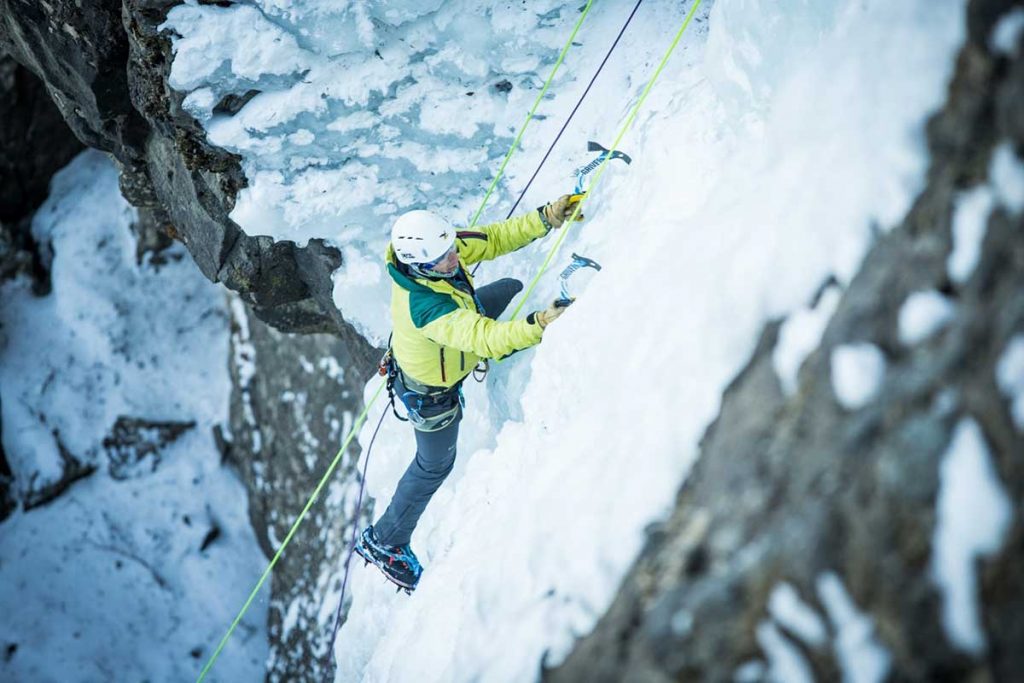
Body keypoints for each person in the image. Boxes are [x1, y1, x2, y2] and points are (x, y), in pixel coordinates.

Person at [354, 195, 581, 590]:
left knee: (510, 287)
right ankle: (386, 540)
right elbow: (487, 340)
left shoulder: (435, 251)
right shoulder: (426, 307)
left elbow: (492, 239)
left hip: (452, 334)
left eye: (450, 251)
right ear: (420, 266)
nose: (454, 259)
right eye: (443, 260)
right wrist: (540, 323)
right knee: (434, 464)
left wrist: (547, 217)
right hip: (432, 397)